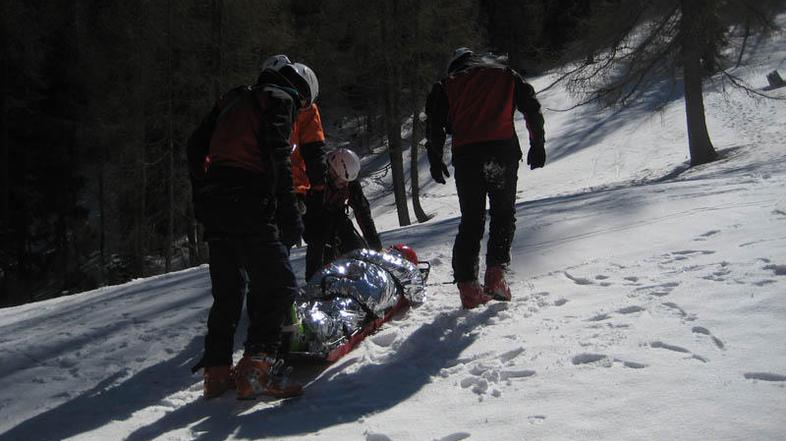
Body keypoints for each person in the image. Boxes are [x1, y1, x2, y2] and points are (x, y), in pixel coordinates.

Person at [186, 59, 320, 400]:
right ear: (301, 91)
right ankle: (257, 368)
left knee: (228, 292)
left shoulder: (233, 99)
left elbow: (194, 146)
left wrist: (203, 188)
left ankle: (216, 374)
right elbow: (278, 157)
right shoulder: (279, 99)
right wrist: (289, 216)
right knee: (279, 285)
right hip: (248, 200)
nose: (300, 110)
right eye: (304, 104)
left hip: (215, 200)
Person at [425, 47, 546, 309]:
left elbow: (434, 123)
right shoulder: (505, 73)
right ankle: (495, 276)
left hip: (467, 156)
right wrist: (537, 144)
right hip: (501, 151)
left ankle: (468, 287)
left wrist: (435, 157)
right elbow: (532, 108)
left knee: (472, 219)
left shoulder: (448, 83)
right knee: (503, 214)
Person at [284, 245, 427, 361]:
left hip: (338, 270)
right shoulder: (404, 265)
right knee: (348, 309)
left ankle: (290, 310)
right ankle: (314, 329)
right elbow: (417, 296)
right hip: (367, 287)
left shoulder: (365, 251)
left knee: (316, 296)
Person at [263, 55, 329, 250]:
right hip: (286, 188)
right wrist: (318, 187)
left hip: (272, 187)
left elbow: (314, 149)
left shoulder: (254, 101)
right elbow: (314, 148)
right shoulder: (305, 110)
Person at [304, 147, 382, 281]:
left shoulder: (350, 181)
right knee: (320, 249)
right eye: (340, 181)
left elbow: (362, 211)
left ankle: (360, 279)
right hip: (313, 218)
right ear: (331, 171)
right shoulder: (316, 177)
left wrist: (376, 246)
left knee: (355, 249)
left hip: (337, 214)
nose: (343, 184)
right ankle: (315, 282)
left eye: (346, 182)